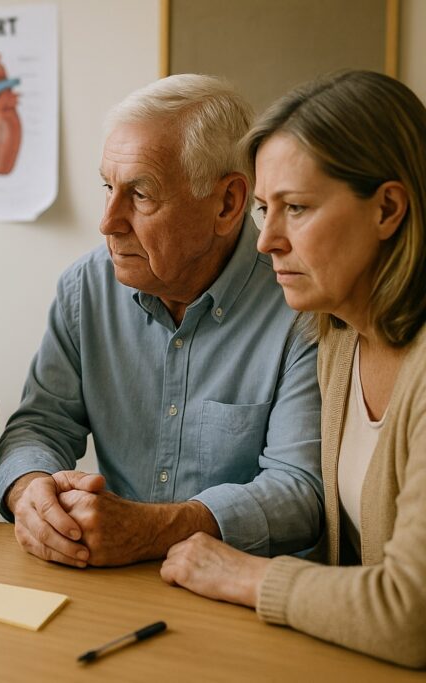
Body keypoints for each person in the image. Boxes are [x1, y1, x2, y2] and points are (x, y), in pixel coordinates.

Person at [0, 74, 323, 568]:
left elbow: (301, 492)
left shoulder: (300, 306)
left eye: (141, 195)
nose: (108, 221)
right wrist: (31, 492)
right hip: (112, 577)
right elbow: (39, 425)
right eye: (108, 187)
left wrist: (153, 530)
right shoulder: (86, 288)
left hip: (245, 594)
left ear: (228, 203)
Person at [160, 70, 426, 668]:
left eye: (297, 209)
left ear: (387, 208)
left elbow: (412, 614)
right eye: (262, 210)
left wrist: (246, 576)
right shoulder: (336, 333)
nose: (266, 241)